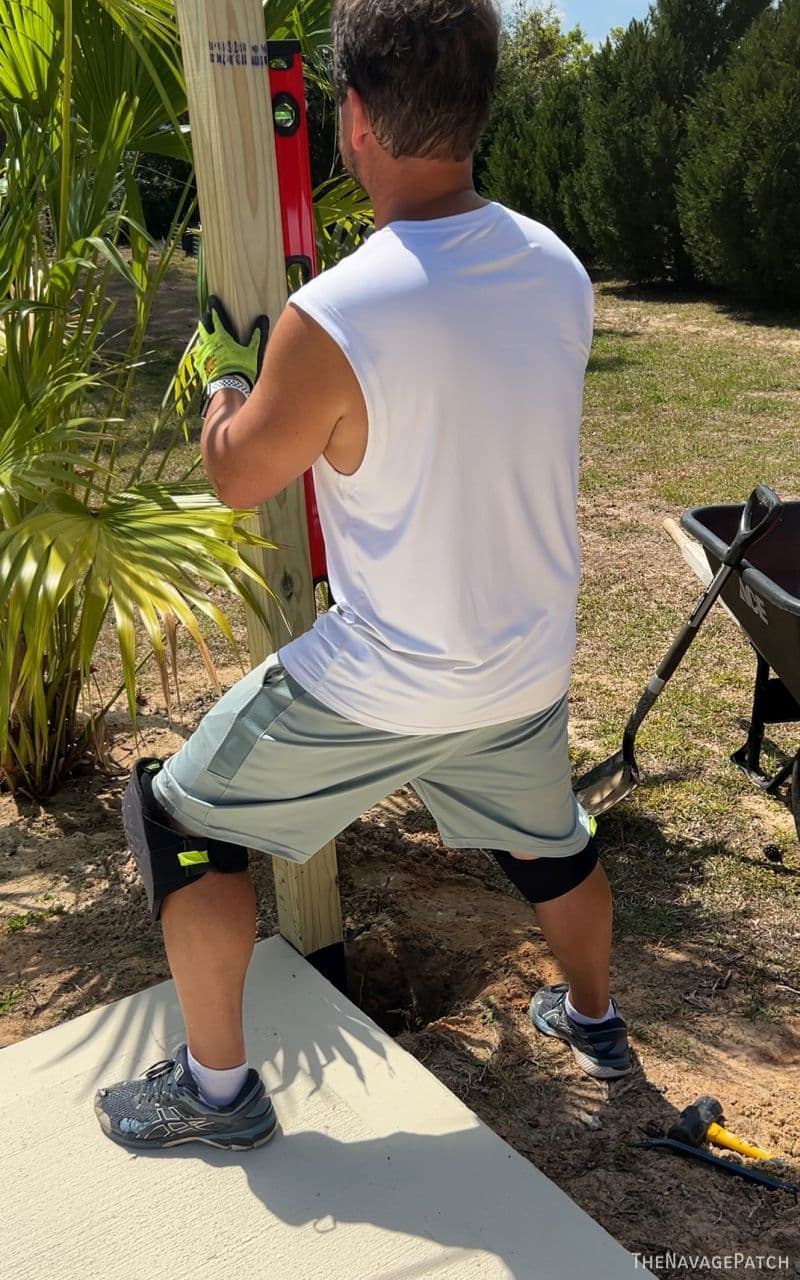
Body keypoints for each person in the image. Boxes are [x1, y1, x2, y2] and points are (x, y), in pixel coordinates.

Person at [95, 0, 632, 1153]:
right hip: (521, 660)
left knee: (175, 817)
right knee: (552, 843)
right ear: (478, 106)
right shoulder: (559, 270)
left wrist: (223, 383)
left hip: (386, 678)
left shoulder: (331, 315)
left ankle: (216, 1092)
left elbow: (241, 476)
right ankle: (594, 1022)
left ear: (351, 118)